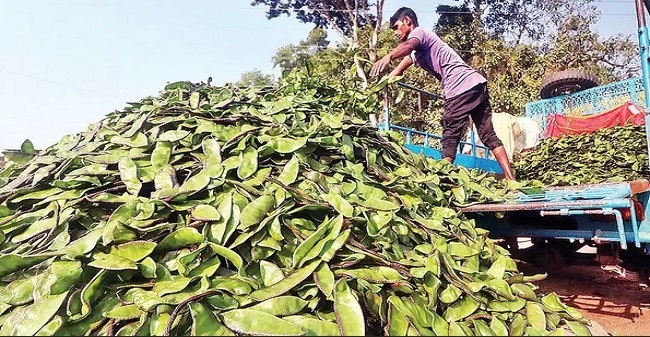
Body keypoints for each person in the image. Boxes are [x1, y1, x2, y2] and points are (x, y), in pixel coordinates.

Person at [370, 7, 516, 180]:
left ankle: (441, 180)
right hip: (477, 85)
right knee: (488, 135)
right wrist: (379, 85)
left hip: (460, 87)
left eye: (396, 26)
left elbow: (408, 46)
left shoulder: (420, 33)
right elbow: (399, 70)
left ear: (407, 21)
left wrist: (388, 57)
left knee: (450, 134)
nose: (395, 32)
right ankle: (511, 179)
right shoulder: (417, 53)